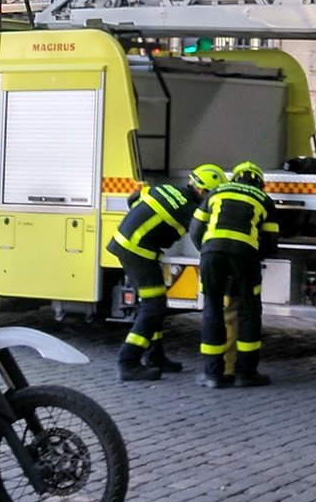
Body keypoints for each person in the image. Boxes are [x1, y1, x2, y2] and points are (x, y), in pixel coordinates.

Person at [109, 164, 224, 383]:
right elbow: (203, 231)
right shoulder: (190, 209)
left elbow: (134, 197)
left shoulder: (166, 188)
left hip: (127, 244)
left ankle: (155, 356)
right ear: (203, 191)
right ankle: (128, 361)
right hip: (138, 252)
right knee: (154, 307)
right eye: (211, 196)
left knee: (151, 306)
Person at [189, 159, 280, 389]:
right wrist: (252, 258)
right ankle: (246, 374)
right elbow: (270, 242)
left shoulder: (217, 191)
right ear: (261, 184)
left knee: (212, 308)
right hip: (244, 255)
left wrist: (208, 250)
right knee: (249, 311)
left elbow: (195, 228)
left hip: (212, 254)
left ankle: (212, 375)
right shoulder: (264, 200)